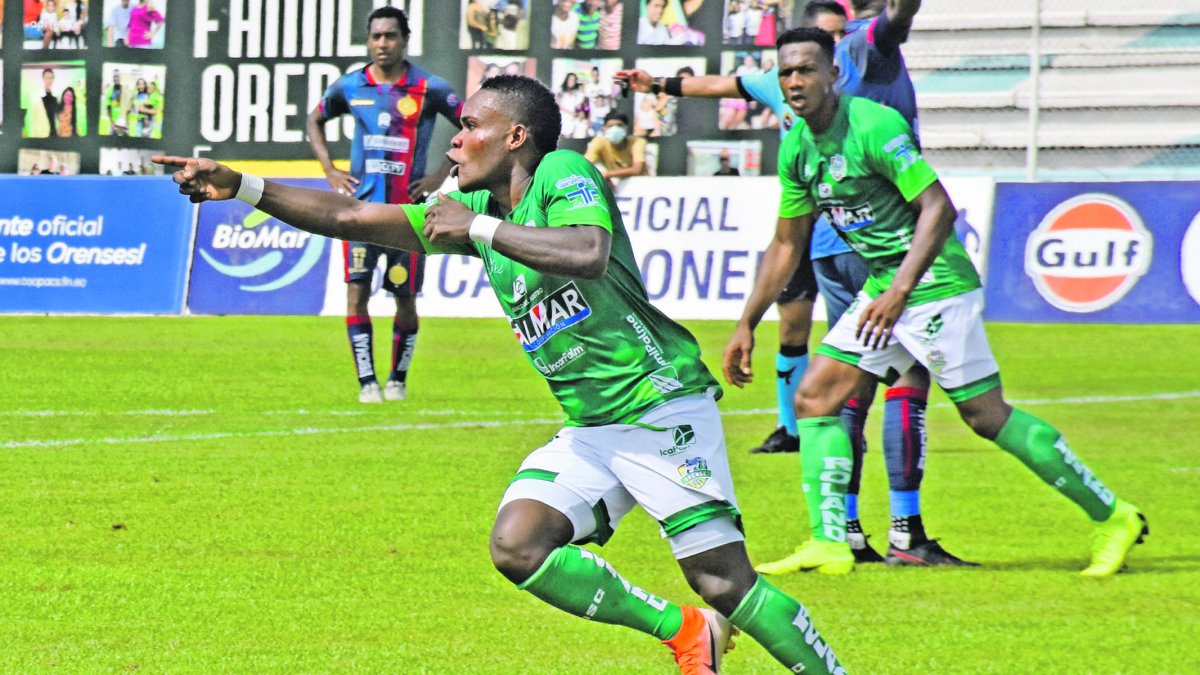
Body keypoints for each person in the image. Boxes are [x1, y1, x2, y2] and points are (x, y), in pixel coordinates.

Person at [156, 71, 849, 675]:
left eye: (468, 128)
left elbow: (588, 250)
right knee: (519, 545)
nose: (453, 141)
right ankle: (687, 632)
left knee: (722, 579)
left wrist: (477, 231)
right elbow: (352, 212)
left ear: (515, 136)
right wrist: (240, 185)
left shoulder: (562, 173)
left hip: (659, 405)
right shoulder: (479, 210)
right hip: (596, 426)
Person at [721, 27, 1148, 579]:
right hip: (885, 287)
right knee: (815, 397)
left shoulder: (874, 125)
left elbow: (937, 209)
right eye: (785, 73)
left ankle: (1114, 516)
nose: (795, 81)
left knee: (985, 415)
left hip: (935, 283)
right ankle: (830, 544)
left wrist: (899, 292)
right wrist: (746, 323)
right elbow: (786, 243)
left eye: (806, 69)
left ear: (835, 74)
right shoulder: (799, 146)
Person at [617, 0, 968, 569]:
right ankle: (901, 531)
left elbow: (730, 81)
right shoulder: (861, 58)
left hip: (829, 244)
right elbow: (725, 82)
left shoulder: (855, 54)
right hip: (871, 246)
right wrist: (656, 82)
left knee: (843, 388)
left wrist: (656, 82)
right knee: (899, 380)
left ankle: (847, 531)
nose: (808, 69)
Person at [306, 6, 462, 405]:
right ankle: (367, 383)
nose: (382, 44)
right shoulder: (351, 85)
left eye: (390, 36)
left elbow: (470, 123)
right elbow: (315, 119)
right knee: (356, 293)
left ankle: (397, 378)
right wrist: (330, 170)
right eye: (375, 37)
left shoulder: (429, 87)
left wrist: (440, 174)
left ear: (404, 40)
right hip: (359, 214)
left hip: (407, 217)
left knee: (404, 297)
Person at [584, 111, 647, 187]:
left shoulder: (637, 142)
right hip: (613, 185)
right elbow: (584, 165)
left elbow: (637, 169)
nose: (615, 129)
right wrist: (600, 177)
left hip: (638, 185)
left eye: (619, 125)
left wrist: (607, 174)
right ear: (604, 129)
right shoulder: (599, 142)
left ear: (626, 127)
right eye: (610, 126)